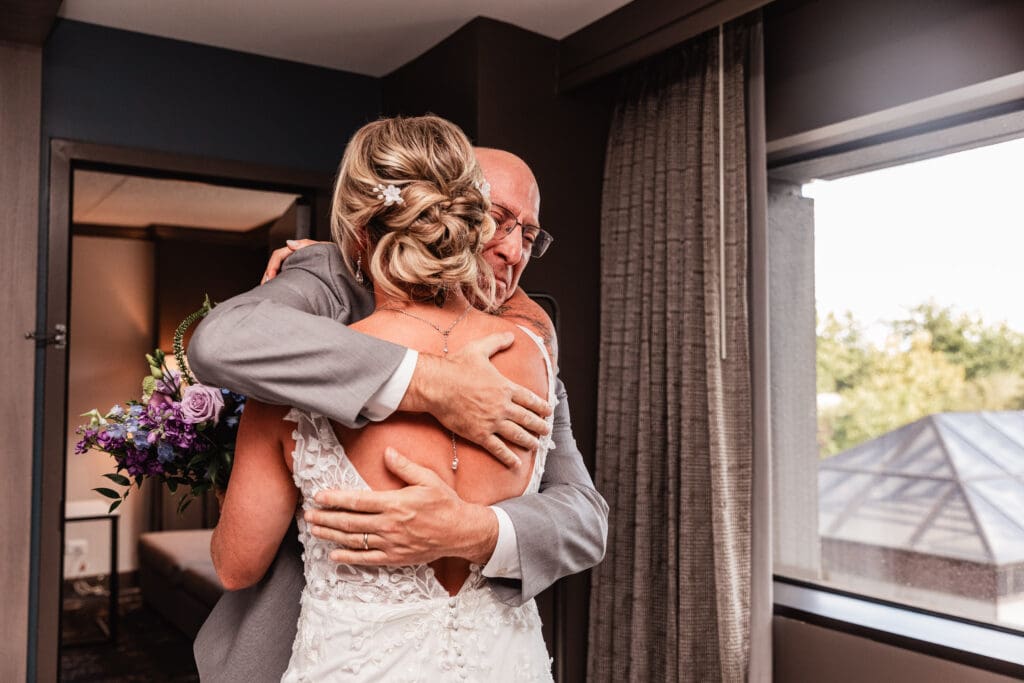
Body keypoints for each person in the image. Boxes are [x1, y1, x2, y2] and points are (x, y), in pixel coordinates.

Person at [189, 141, 606, 681]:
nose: (513, 251)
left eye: (529, 235)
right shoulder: (328, 277)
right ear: (444, 210)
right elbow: (222, 341)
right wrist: (430, 381)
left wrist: (474, 530)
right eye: (497, 220)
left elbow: (585, 519)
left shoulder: (535, 349)